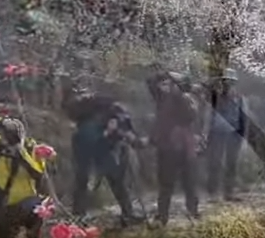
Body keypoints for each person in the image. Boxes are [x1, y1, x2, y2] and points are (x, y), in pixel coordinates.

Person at [71, 99, 140, 223]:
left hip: (103, 149)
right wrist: (107, 132)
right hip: (85, 149)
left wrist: (129, 138)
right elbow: (89, 140)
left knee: (116, 180)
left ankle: (128, 213)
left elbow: (124, 134)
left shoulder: (118, 118)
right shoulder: (90, 123)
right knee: (83, 179)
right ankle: (78, 215)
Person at [148, 72, 201, 226]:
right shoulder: (160, 99)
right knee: (166, 184)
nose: (163, 87)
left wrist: (177, 89)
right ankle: (162, 216)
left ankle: (193, 212)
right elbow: (150, 81)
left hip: (184, 147)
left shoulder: (183, 99)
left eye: (167, 84)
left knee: (189, 182)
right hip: (167, 148)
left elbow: (191, 116)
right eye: (162, 84)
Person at [205, 74, 247, 201]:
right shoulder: (214, 97)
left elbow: (244, 118)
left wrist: (243, 136)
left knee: (231, 164)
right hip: (217, 133)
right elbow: (207, 116)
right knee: (215, 163)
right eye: (225, 82)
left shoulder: (240, 98)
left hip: (234, 134)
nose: (228, 84)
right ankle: (213, 194)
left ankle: (229, 193)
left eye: (231, 82)